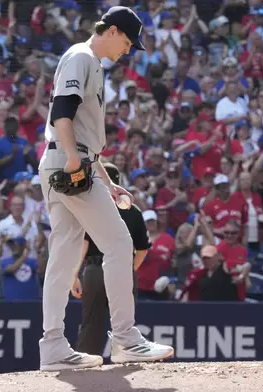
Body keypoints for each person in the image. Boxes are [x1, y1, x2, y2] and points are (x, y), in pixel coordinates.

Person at [38, 6, 173, 371]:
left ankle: (52, 346)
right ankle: (127, 339)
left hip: (69, 159)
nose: (128, 50)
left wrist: (108, 181)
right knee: (118, 242)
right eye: (127, 42)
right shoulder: (83, 57)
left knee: (63, 256)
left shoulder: (88, 61)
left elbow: (80, 131)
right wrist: (72, 158)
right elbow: (62, 112)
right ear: (111, 30)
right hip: (70, 162)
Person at [70, 163, 151, 355]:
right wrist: (128, 270)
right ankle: (128, 353)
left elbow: (84, 244)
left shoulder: (94, 207)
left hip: (95, 269)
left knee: (91, 322)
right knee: (125, 320)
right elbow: (142, 249)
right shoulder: (133, 211)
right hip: (122, 268)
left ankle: (87, 367)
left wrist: (73, 275)